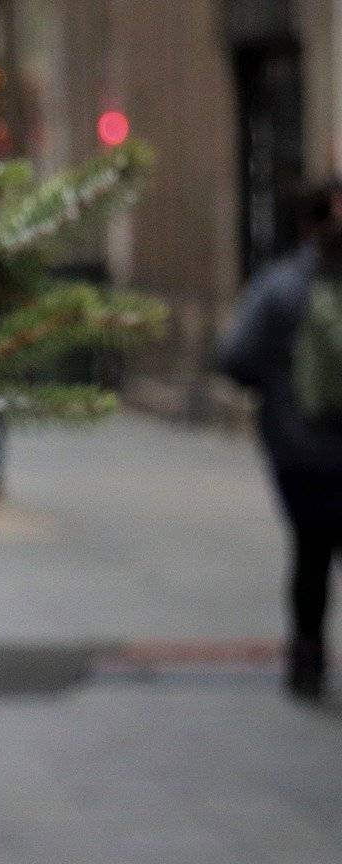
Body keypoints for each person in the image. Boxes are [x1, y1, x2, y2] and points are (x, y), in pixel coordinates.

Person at [220, 184, 342, 701]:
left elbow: (235, 359)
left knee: (312, 555)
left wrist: (280, 385)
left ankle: (307, 661)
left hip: (302, 451)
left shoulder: (280, 285)